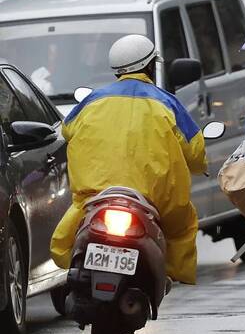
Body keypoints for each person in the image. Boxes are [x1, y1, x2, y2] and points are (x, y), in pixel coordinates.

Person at [50, 34, 207, 285]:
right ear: (150, 66)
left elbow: (66, 130)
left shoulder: (92, 101)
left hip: (96, 197)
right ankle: (169, 274)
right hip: (154, 199)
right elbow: (195, 150)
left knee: (68, 233)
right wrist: (200, 167)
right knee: (183, 226)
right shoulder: (167, 103)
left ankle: (75, 270)